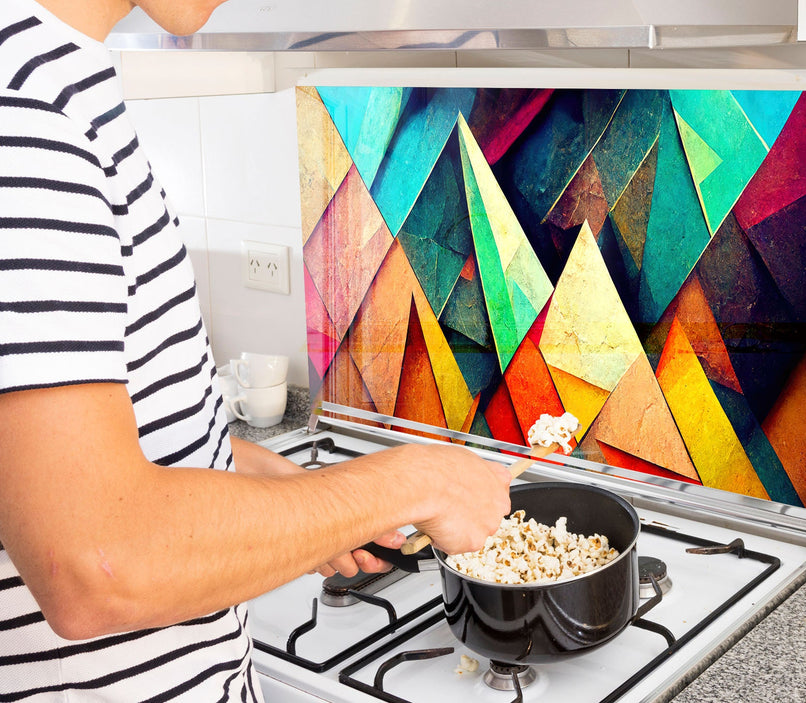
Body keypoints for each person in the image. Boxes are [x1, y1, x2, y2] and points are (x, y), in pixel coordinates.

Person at [0, 0, 513, 699]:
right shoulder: (25, 116)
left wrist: (297, 499)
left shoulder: (57, 80)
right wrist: (416, 480)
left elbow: (84, 452)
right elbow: (96, 561)